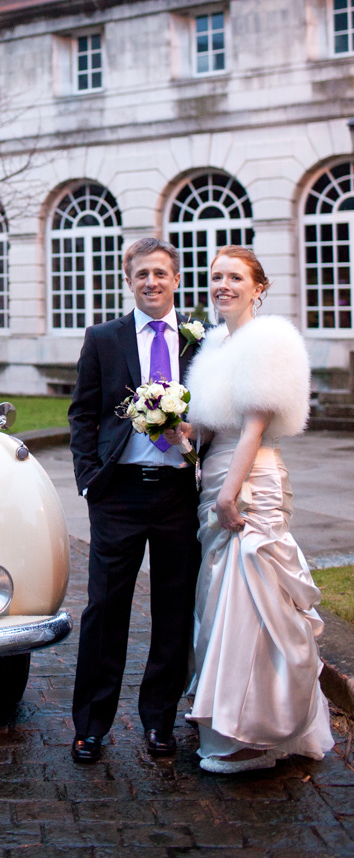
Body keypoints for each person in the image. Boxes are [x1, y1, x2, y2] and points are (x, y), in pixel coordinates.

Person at [183, 245, 334, 774]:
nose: (222, 285)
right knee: (219, 597)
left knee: (252, 596)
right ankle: (224, 713)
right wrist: (171, 423)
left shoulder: (270, 340)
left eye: (234, 277)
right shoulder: (216, 343)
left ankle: (252, 732)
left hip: (251, 479)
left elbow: (253, 424)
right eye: (215, 276)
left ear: (258, 287)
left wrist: (230, 492)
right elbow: (209, 422)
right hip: (217, 475)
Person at [69, 236, 201, 764]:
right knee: (104, 609)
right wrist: (87, 477)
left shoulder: (201, 341)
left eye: (160, 274)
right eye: (142, 273)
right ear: (130, 279)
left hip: (177, 495)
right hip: (118, 494)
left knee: (173, 609)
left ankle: (159, 720)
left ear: (175, 280)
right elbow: (82, 413)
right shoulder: (104, 338)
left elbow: (218, 412)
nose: (151, 282)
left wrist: (199, 444)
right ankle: (92, 725)